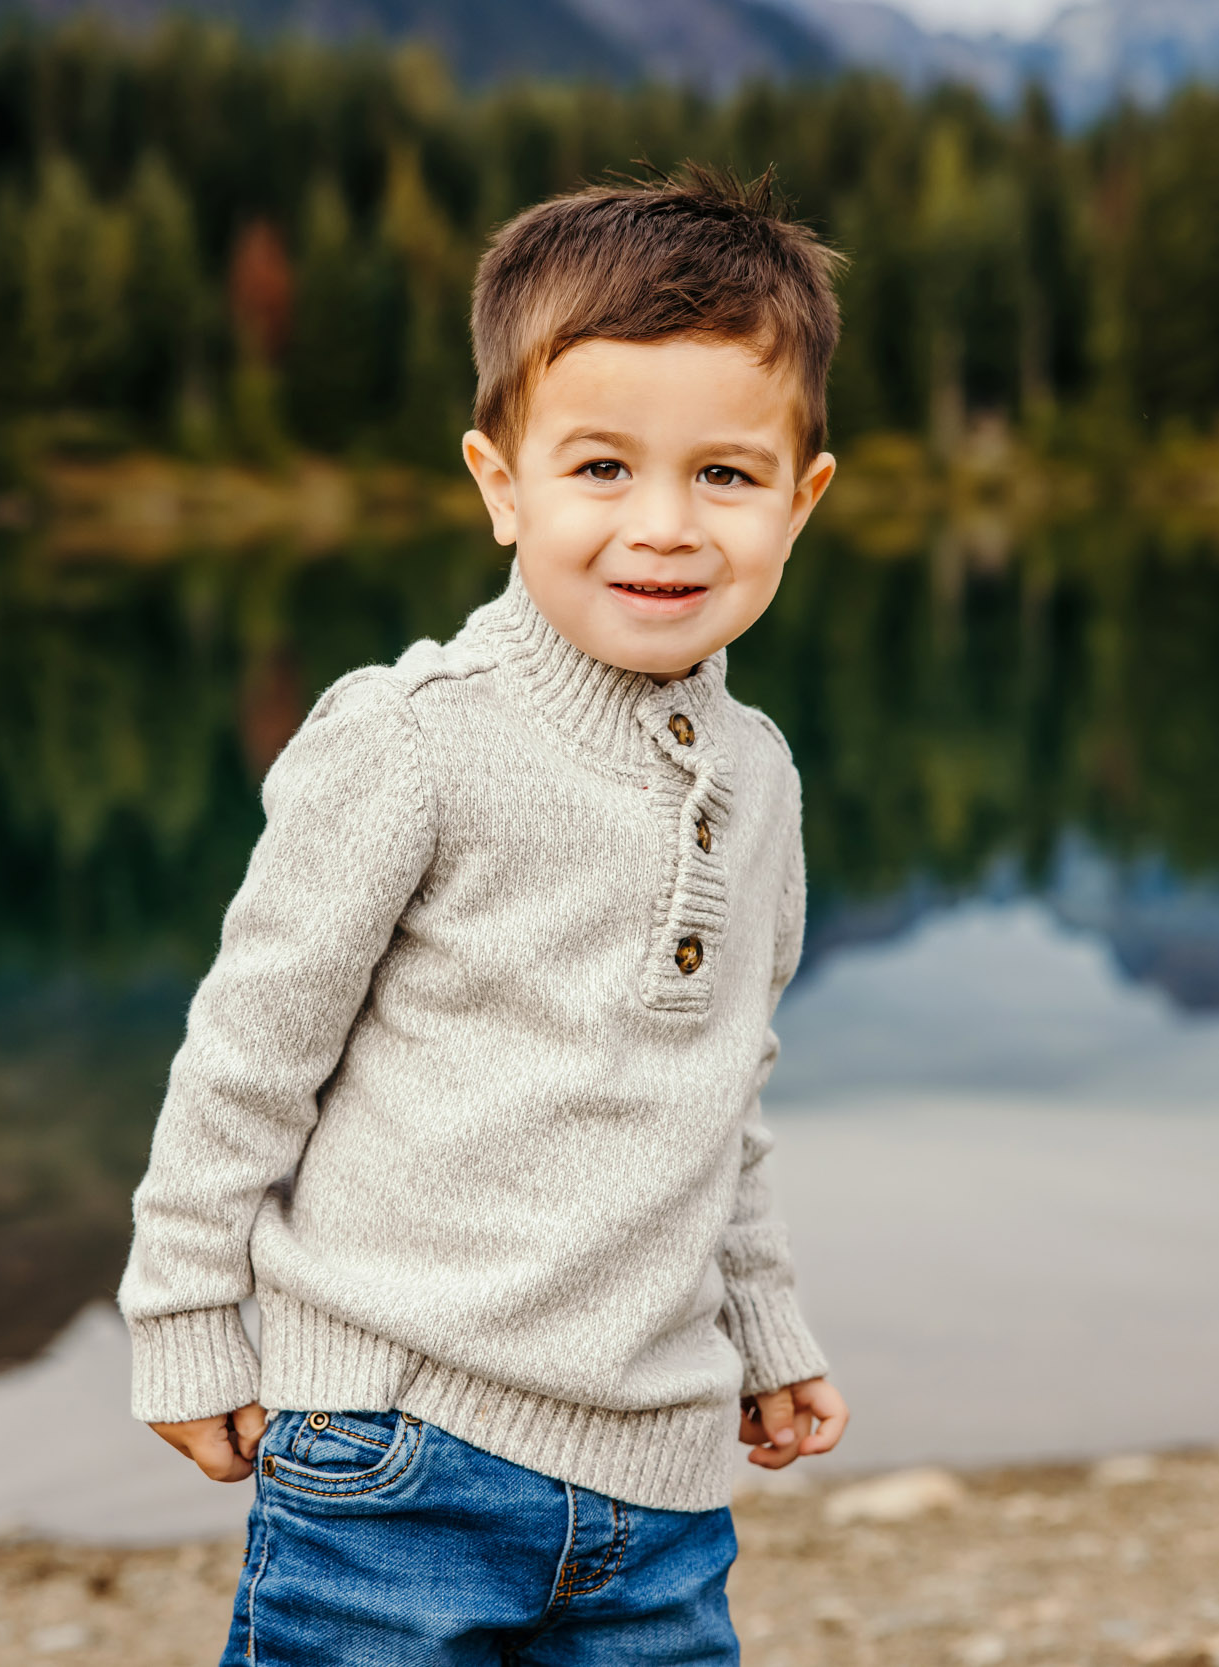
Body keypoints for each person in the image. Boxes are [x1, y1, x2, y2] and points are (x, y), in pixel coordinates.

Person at [117, 163, 850, 1664]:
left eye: (725, 474)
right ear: (499, 482)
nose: (664, 526)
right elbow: (249, 1054)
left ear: (801, 500)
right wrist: (184, 1311)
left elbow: (723, 1098)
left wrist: (764, 1327)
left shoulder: (760, 777)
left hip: (661, 1480)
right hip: (396, 1455)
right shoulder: (414, 738)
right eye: (599, 470)